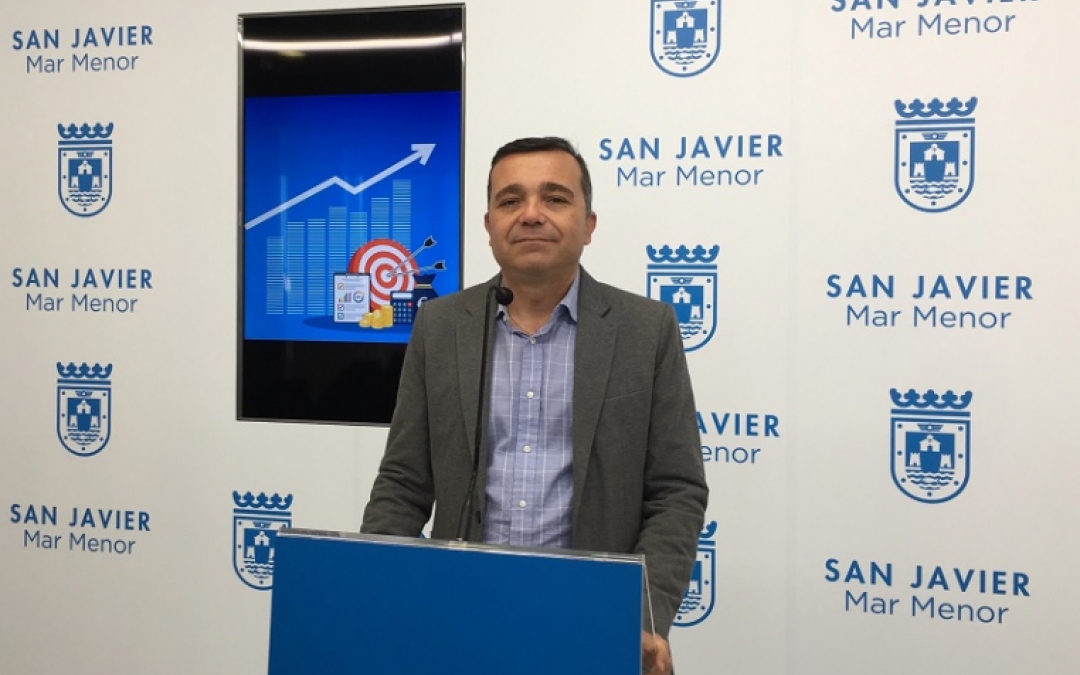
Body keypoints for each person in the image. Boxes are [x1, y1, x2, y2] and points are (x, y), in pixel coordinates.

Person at [361, 137, 708, 675]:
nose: (530, 215)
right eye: (510, 200)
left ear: (589, 224)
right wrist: (382, 595)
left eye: (554, 198)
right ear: (488, 225)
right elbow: (403, 483)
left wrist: (639, 617)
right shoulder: (440, 326)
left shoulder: (646, 330)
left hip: (593, 623)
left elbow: (676, 491)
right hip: (457, 616)